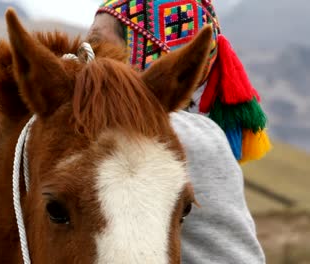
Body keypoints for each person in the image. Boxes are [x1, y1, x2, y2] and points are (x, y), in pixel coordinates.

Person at [88, 0, 267, 263]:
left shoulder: (165, 133)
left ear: (143, 54)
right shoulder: (203, 130)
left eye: (96, 43)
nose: (85, 56)